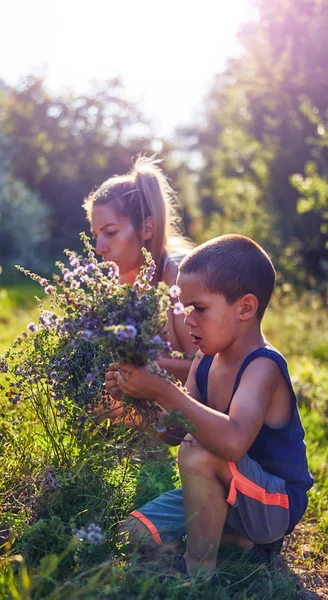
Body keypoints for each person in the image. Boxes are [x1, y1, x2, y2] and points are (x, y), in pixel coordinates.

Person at [107, 234, 314, 577]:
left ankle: (199, 573)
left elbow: (231, 443)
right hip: (225, 491)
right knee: (132, 533)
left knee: (198, 451)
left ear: (245, 308)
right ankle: (236, 540)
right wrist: (142, 396)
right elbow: (172, 433)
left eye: (199, 308)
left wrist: (165, 390)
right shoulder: (204, 359)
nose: (188, 320)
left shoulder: (262, 367)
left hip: (272, 503)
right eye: (185, 309)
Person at [83, 155, 196, 385]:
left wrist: (139, 368)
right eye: (97, 236)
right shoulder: (121, 285)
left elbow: (208, 368)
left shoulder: (178, 279)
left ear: (147, 228)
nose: (99, 248)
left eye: (111, 232)